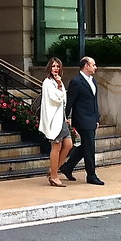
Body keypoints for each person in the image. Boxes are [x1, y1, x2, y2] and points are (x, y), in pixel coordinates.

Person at [59, 56, 105, 185]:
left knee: (86, 146)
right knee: (89, 148)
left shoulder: (93, 81)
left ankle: (67, 167)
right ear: (86, 66)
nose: (95, 67)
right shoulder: (76, 81)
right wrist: (65, 117)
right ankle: (91, 175)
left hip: (91, 118)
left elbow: (94, 101)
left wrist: (97, 117)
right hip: (82, 119)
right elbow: (70, 101)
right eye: (93, 65)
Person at [39, 56, 73, 188]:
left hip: (61, 118)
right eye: (53, 66)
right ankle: (54, 176)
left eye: (58, 66)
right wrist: (59, 85)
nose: (56, 69)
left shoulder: (59, 81)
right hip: (53, 119)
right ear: (49, 68)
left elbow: (63, 99)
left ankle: (53, 170)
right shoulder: (47, 83)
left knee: (68, 144)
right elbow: (55, 99)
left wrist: (65, 116)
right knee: (56, 146)